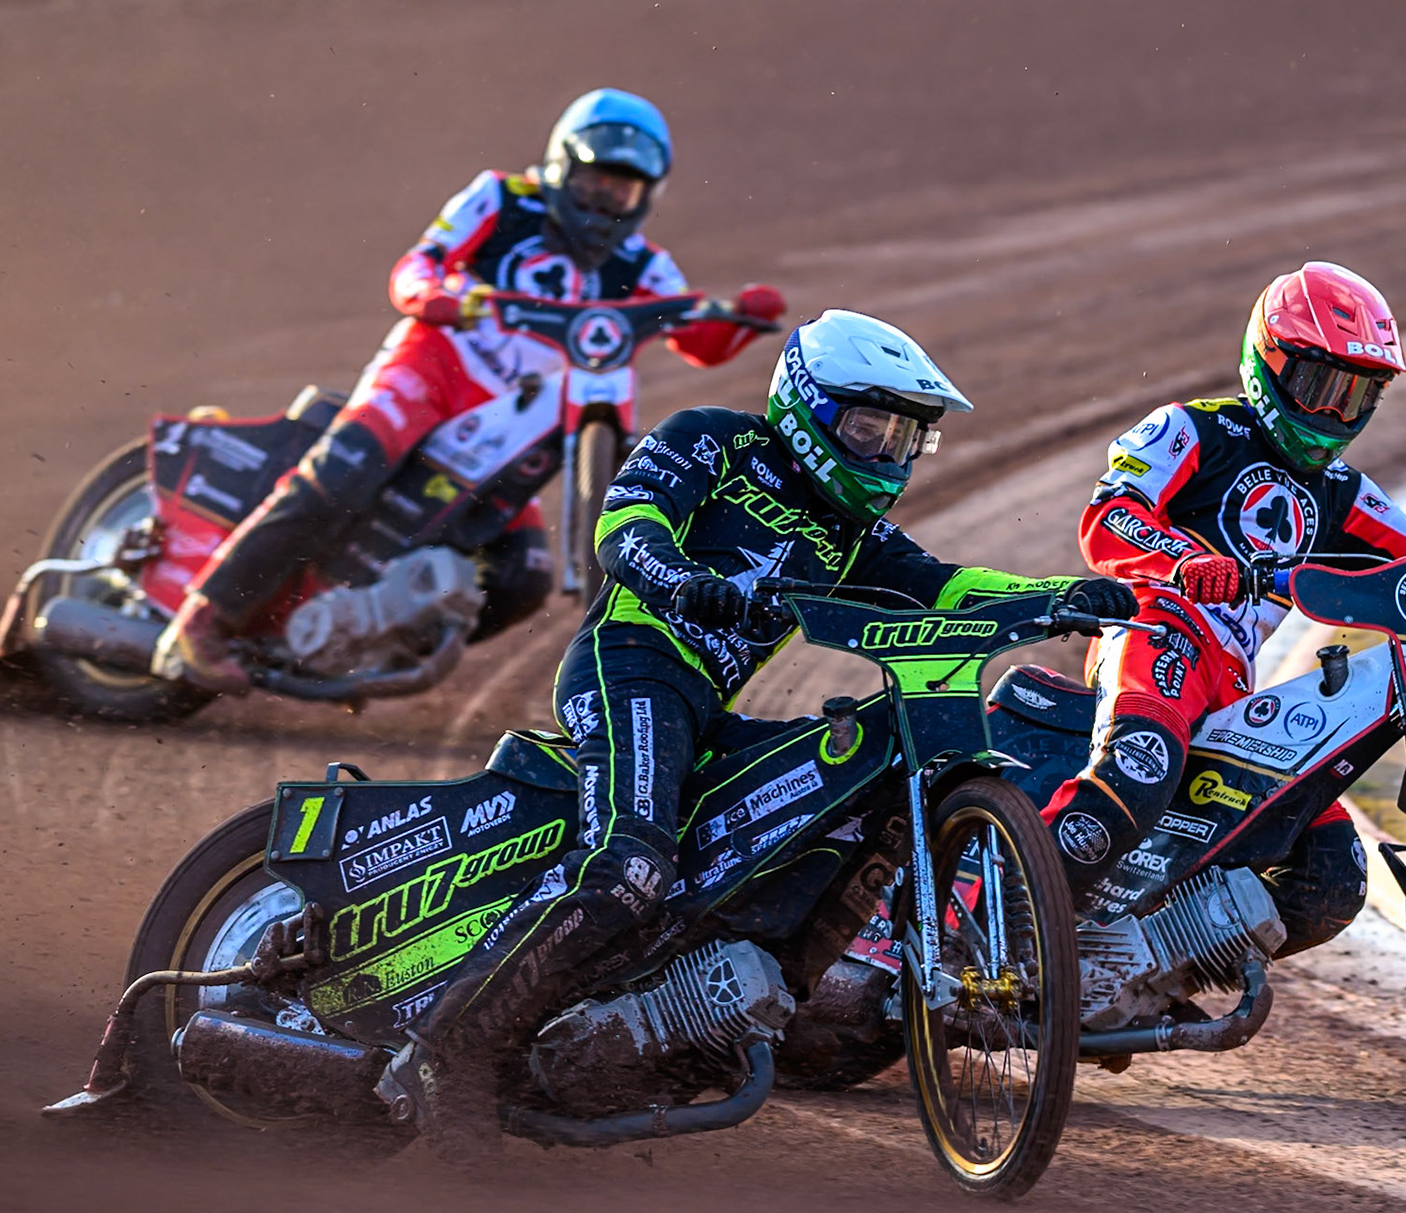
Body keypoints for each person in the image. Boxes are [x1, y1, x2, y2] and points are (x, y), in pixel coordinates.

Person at [377, 308, 1139, 1147]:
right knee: (630, 865)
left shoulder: (854, 535)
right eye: (871, 427)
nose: (887, 452)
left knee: (831, 811)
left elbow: (947, 586)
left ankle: (669, 1022)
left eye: (905, 437)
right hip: (631, 665)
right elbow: (625, 526)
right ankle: (441, 1053)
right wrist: (681, 581)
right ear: (809, 407)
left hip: (706, 710)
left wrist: (1058, 596)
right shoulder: (713, 440)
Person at [1040, 261, 1406, 955]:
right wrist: (1185, 564)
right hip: (1158, 634)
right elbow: (1109, 515)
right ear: (1267, 362)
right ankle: (983, 916)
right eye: (1319, 387)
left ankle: (1149, 970)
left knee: (1332, 875)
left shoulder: (1344, 490)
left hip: (1235, 686)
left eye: (1355, 395)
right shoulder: (1188, 429)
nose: (1332, 414)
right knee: (1139, 770)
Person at [153, 87, 785, 691]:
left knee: (523, 579)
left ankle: (367, 647)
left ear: (647, 195)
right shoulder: (501, 200)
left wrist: (743, 315)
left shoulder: (643, 264)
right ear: (563, 165)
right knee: (344, 473)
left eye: (622, 188)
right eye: (595, 180)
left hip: (513, 424)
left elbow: (696, 339)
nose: (604, 200)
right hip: (433, 371)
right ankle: (201, 621)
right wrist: (441, 298)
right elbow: (416, 267)